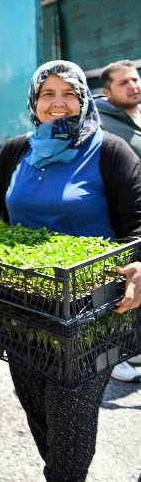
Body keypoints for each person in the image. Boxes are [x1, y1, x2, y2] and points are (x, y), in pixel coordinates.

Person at [0, 60, 141, 481]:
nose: (58, 104)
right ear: (34, 101)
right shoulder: (18, 149)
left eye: (69, 94)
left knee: (72, 409)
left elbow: (138, 223)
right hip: (22, 305)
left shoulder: (110, 149)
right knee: (37, 401)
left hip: (91, 308)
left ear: (83, 100)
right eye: (48, 94)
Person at [95, 59, 141, 382]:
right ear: (107, 91)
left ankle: (131, 349)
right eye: (124, 83)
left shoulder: (137, 118)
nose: (134, 86)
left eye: (136, 80)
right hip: (117, 222)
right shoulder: (104, 124)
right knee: (112, 291)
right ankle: (111, 357)